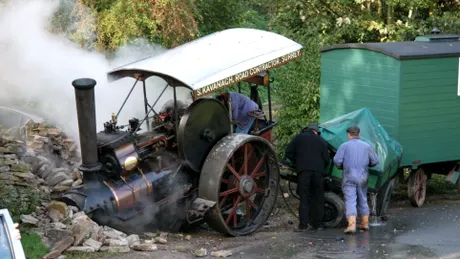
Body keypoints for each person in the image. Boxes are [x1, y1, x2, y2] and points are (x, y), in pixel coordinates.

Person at [333, 126, 379, 235]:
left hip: (349, 176)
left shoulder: (344, 146)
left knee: (350, 199)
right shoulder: (366, 146)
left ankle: (352, 225)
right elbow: (375, 161)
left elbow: (337, 161)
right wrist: (367, 164)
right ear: (358, 134)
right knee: (362, 198)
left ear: (349, 134)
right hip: (363, 176)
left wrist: (341, 166)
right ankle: (364, 224)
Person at [285, 123, 330, 232]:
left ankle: (303, 226)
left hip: (303, 172)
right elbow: (327, 159)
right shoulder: (321, 140)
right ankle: (318, 225)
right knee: (318, 198)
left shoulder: (298, 138)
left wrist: (297, 162)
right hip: (318, 173)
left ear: (306, 130)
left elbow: (288, 152)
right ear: (316, 131)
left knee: (304, 198)